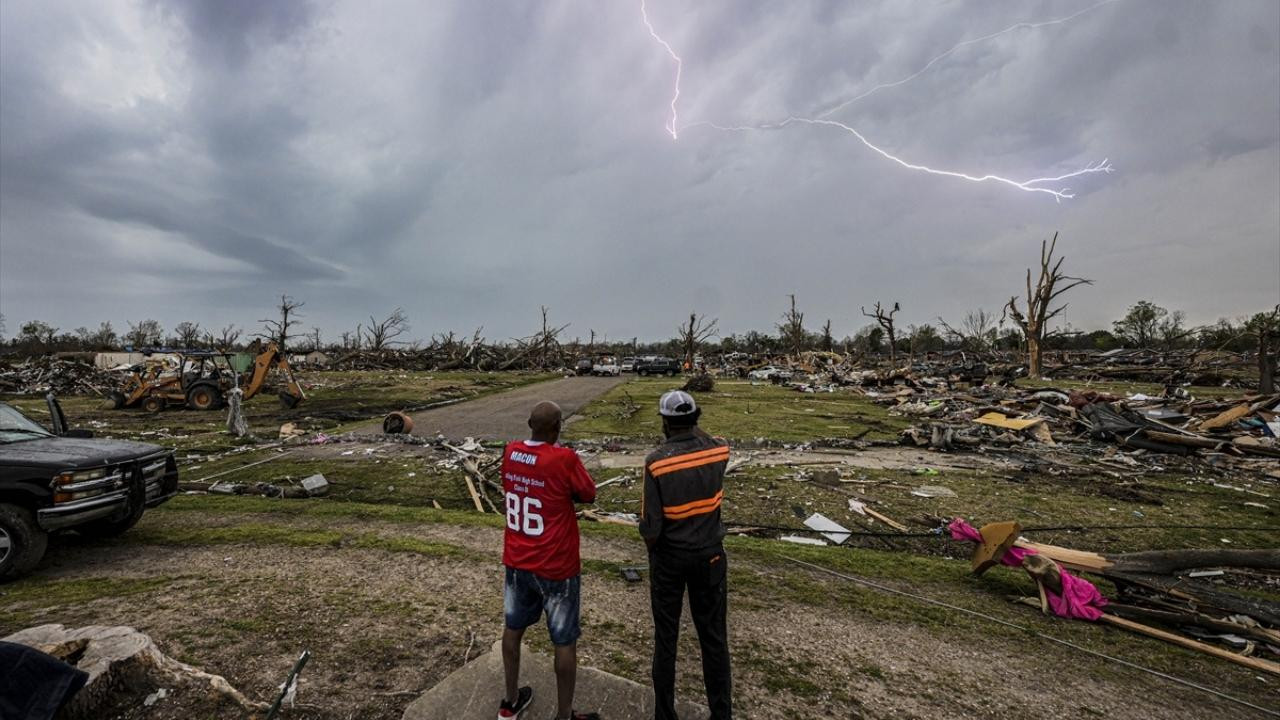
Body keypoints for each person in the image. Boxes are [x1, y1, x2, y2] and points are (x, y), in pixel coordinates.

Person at [498, 401, 601, 720]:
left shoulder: (511, 451)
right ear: (557, 428)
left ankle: (510, 702)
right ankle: (564, 714)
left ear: (529, 423)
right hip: (556, 566)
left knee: (513, 630)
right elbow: (588, 494)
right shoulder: (564, 458)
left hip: (517, 560)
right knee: (564, 641)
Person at [638, 390, 732, 720]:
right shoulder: (719, 450)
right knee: (714, 640)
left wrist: (654, 555)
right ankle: (721, 714)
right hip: (711, 556)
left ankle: (665, 714)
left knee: (666, 640)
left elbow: (651, 526)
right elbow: (709, 437)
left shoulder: (657, 462)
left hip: (670, 559)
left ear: (665, 422)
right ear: (695, 420)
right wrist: (694, 426)